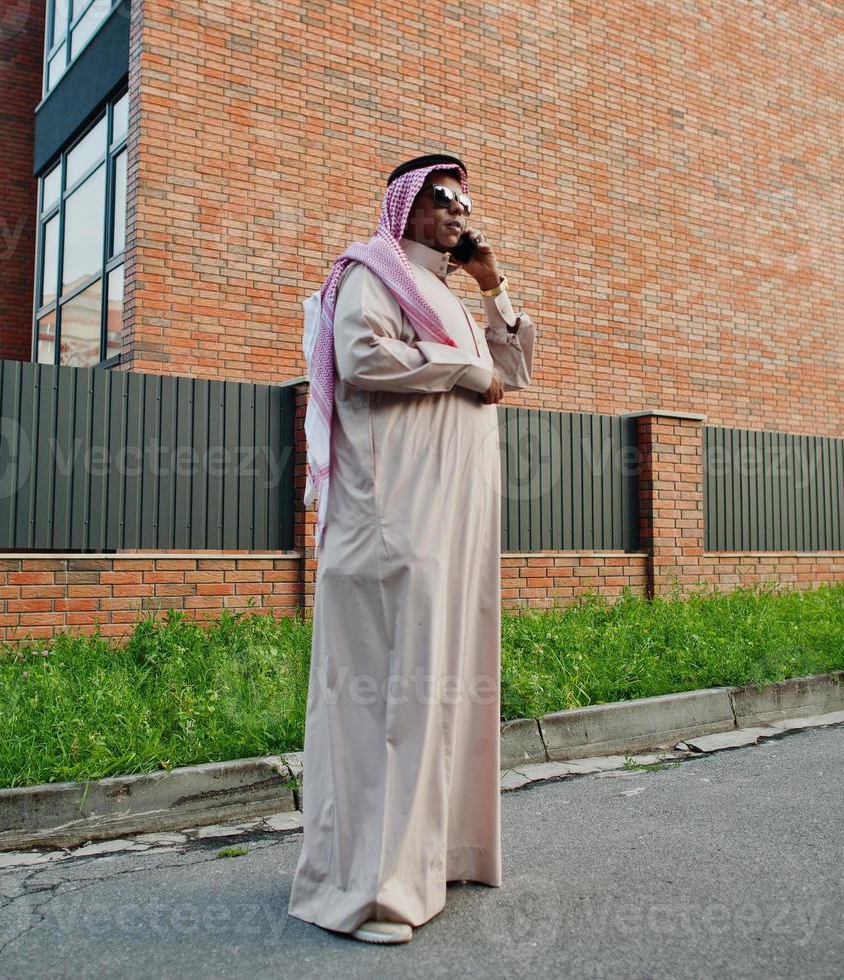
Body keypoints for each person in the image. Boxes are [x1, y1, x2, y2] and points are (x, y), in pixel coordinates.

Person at [288, 153, 537, 945]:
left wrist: (491, 285)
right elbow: (361, 360)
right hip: (392, 522)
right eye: (443, 198)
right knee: (390, 699)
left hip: (452, 524)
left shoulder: (452, 297)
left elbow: (512, 371)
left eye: (465, 200)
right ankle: (369, 890)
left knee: (443, 689)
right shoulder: (372, 272)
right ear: (405, 210)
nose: (460, 210)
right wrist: (460, 367)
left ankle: (434, 859)